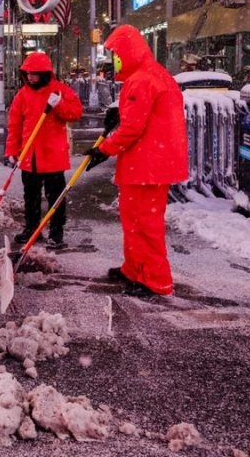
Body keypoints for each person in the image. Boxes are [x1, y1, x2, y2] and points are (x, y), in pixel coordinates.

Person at [84, 25, 188, 297]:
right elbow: (143, 115)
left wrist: (104, 150)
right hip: (148, 163)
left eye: (116, 54)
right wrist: (118, 114)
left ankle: (155, 281)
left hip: (147, 165)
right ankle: (134, 269)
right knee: (134, 221)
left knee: (145, 224)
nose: (114, 60)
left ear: (128, 52)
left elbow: (133, 128)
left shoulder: (142, 79)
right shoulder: (154, 75)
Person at [5, 52, 83, 250]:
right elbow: (14, 125)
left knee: (55, 196)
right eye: (27, 73)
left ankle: (56, 232)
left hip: (53, 155)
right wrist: (12, 150)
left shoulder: (59, 91)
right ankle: (32, 229)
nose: (30, 77)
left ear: (44, 74)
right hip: (29, 156)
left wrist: (59, 105)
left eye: (34, 73)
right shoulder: (22, 95)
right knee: (30, 196)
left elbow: (75, 114)